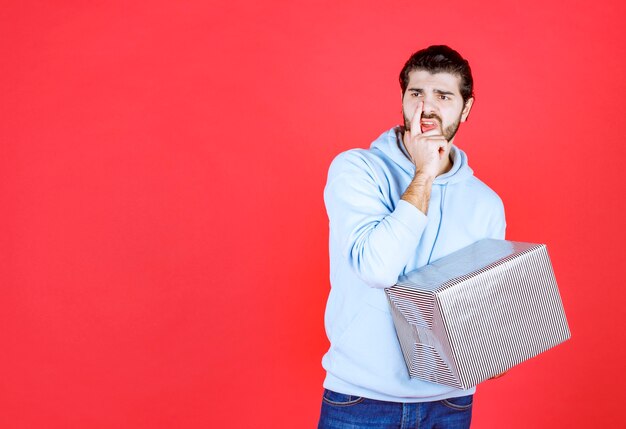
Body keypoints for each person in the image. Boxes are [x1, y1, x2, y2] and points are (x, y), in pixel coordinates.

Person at [318, 45, 506, 428]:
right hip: (360, 399)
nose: (427, 107)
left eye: (443, 96)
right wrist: (424, 174)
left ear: (466, 108)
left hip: (450, 403)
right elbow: (377, 269)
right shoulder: (357, 169)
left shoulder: (486, 203)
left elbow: (482, 308)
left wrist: (494, 347)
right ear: (402, 99)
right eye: (416, 93)